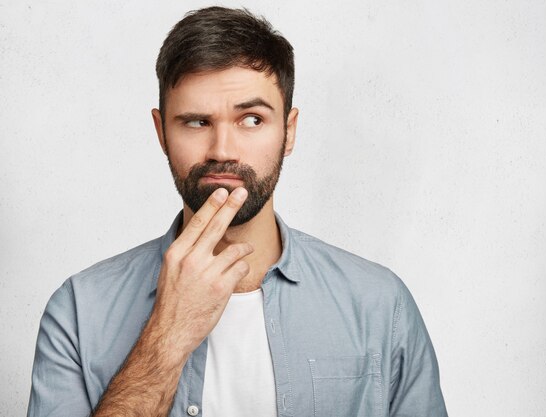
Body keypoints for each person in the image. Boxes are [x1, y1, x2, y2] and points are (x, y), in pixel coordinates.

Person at [27, 6, 447, 417]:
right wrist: (167, 338)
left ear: (289, 130)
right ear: (161, 132)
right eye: (195, 122)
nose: (222, 151)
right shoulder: (79, 311)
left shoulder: (379, 304)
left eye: (251, 120)